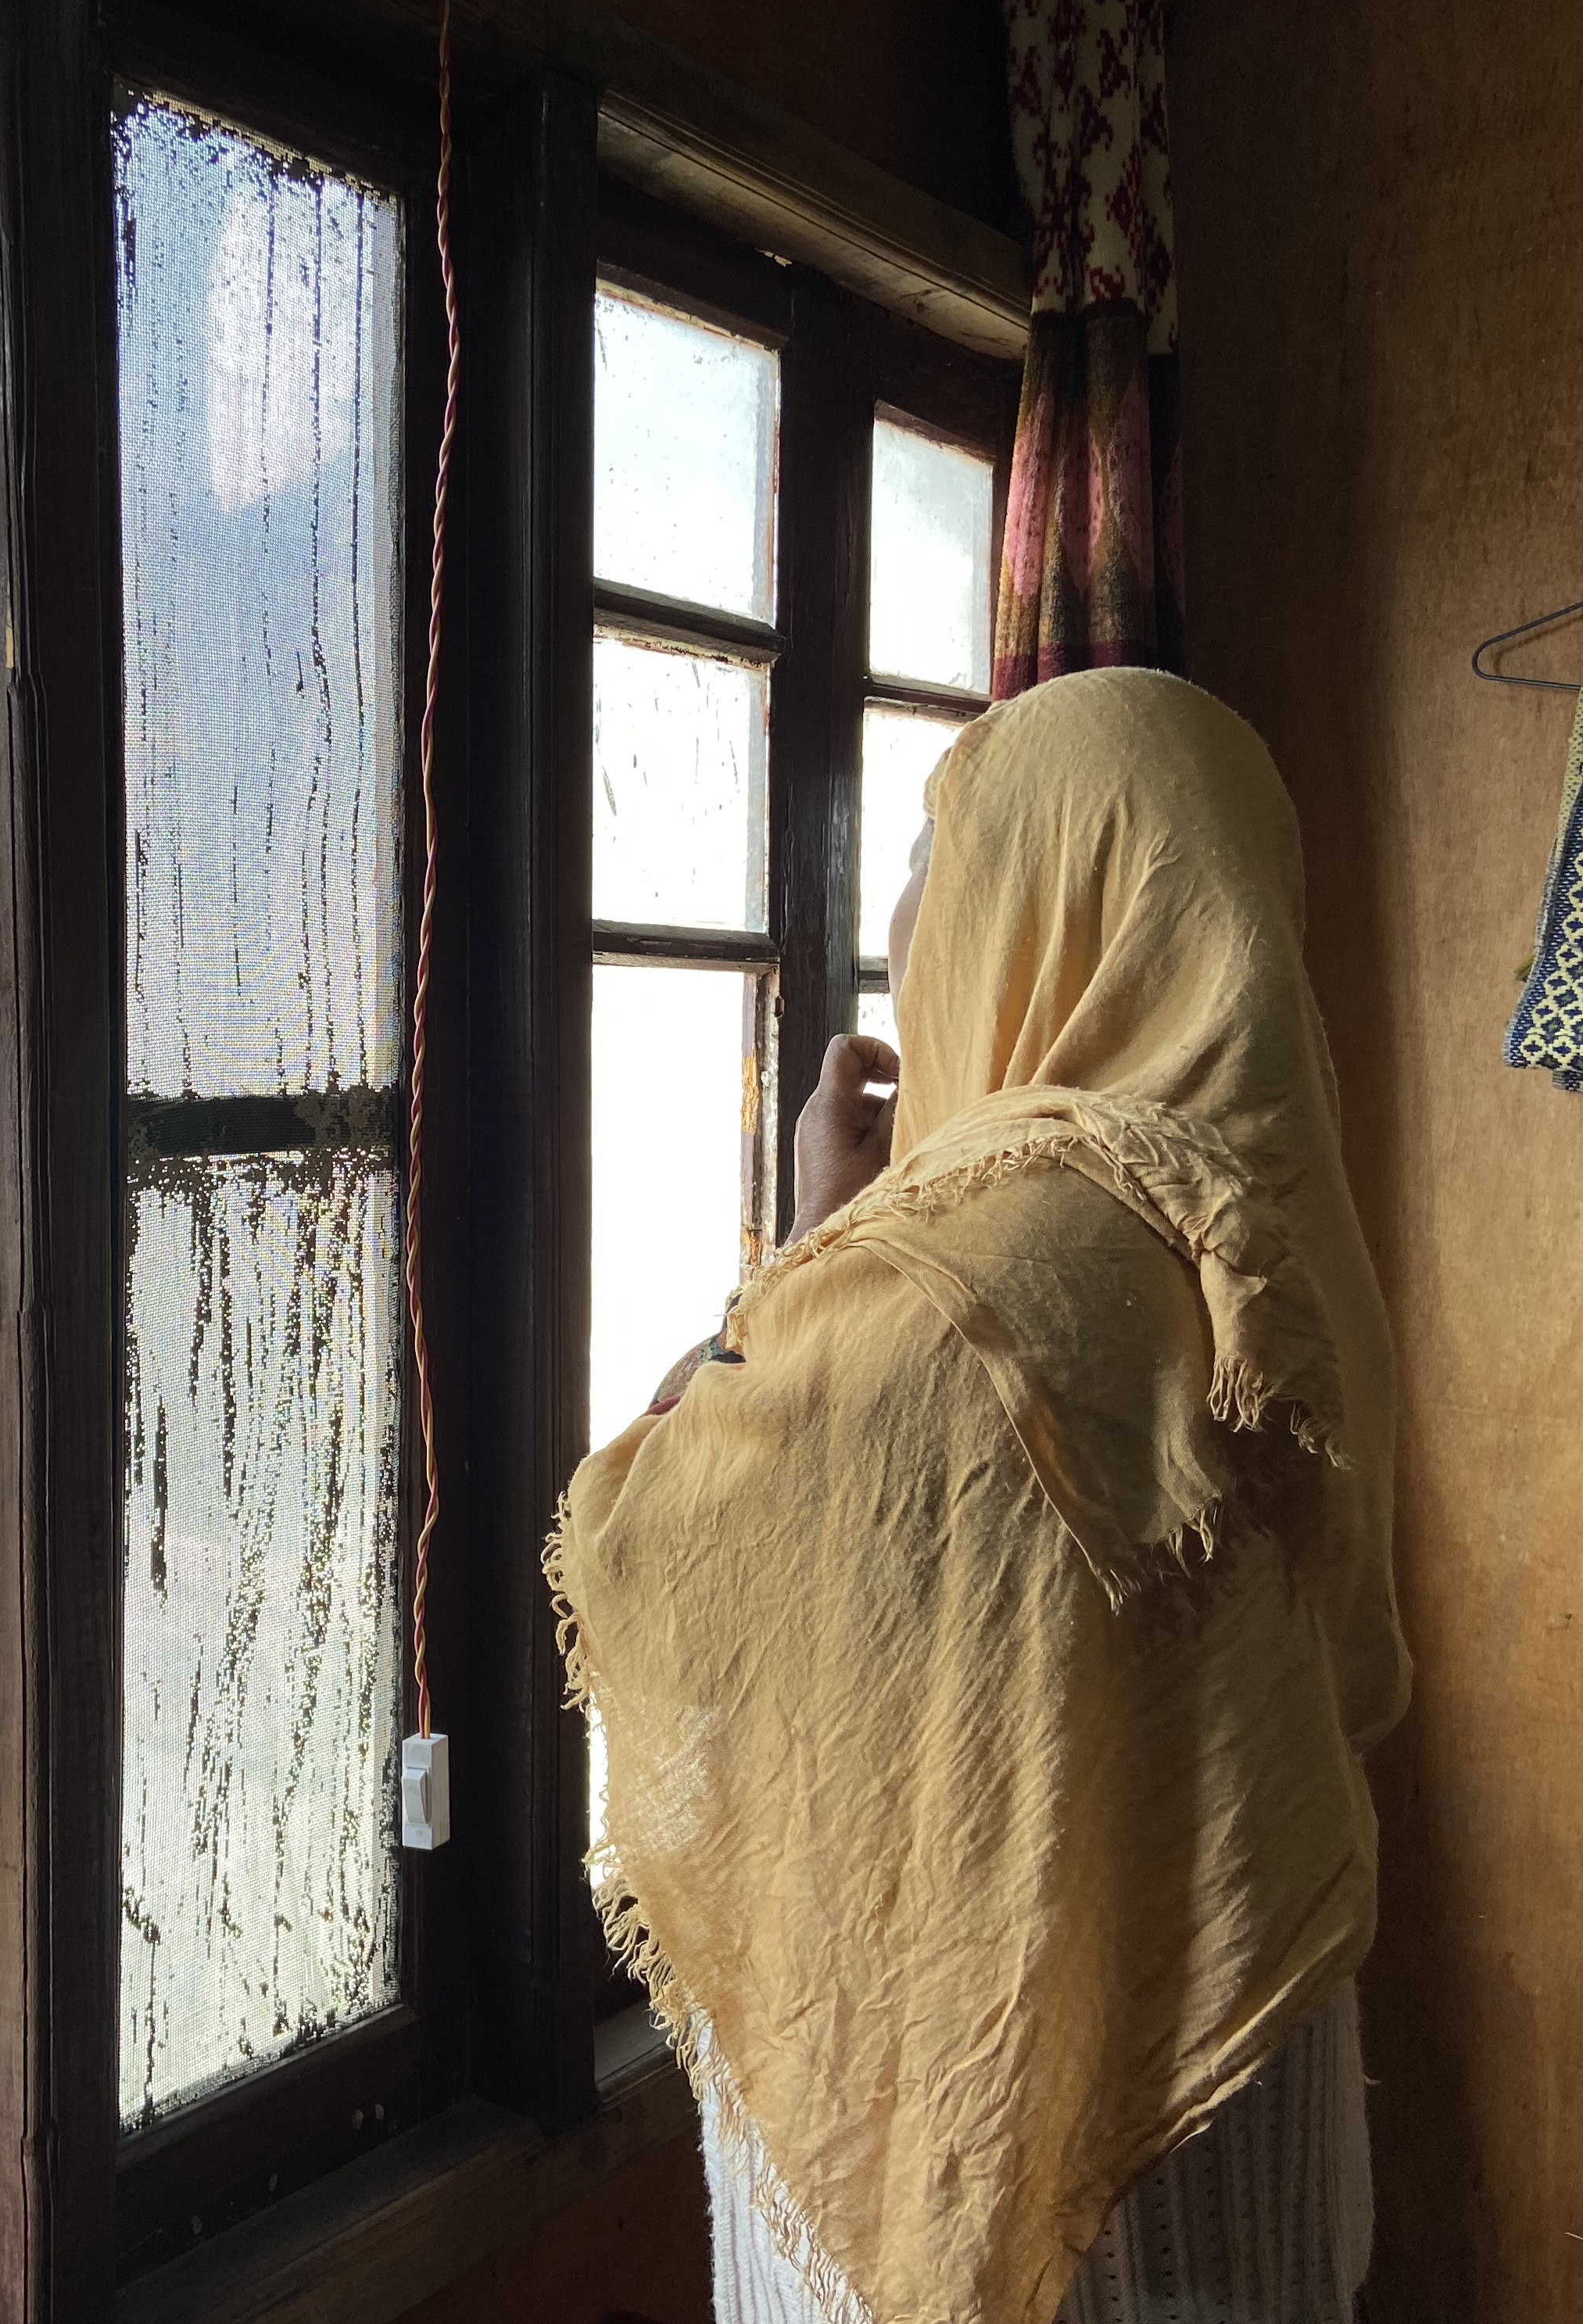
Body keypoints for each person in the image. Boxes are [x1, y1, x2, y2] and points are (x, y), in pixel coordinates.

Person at [548, 669, 1410, 2324]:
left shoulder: (981, 1272)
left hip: (1008, 2086)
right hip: (1237, 2024)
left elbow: (657, 1522)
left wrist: (813, 1245)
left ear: (1032, 925)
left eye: (934, 926)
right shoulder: (1266, 1224)